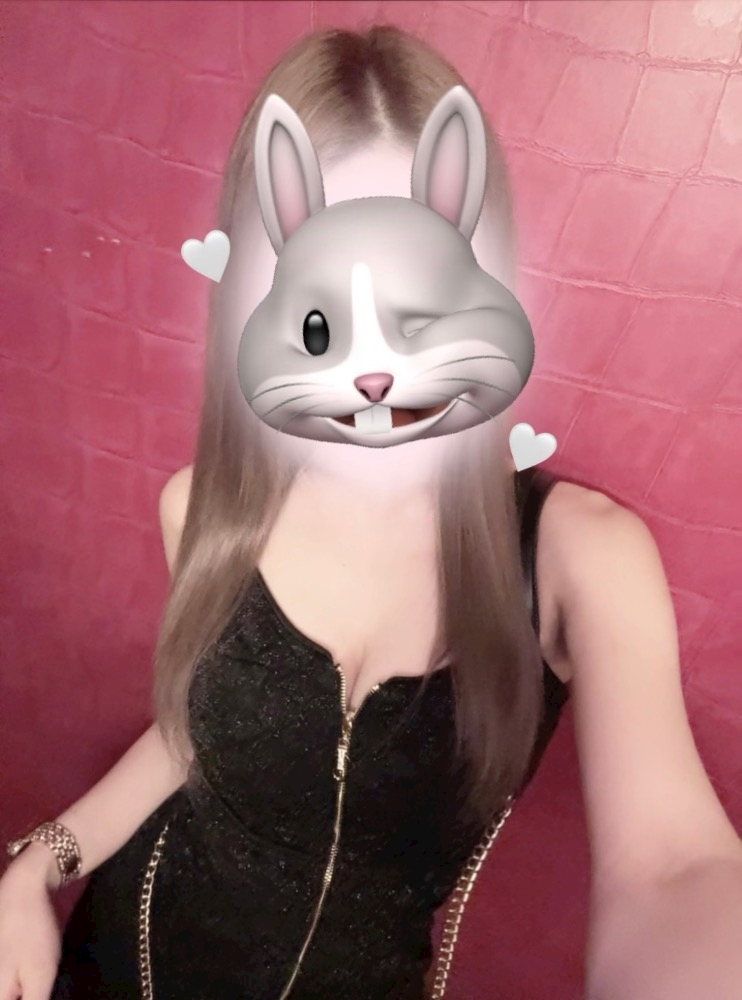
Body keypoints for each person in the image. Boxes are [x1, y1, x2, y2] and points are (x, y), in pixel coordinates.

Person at [2, 24, 742, 1000]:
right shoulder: (204, 510)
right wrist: (40, 865)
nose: (371, 367)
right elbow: (196, 734)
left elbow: (674, 866)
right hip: (119, 960)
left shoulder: (580, 558)